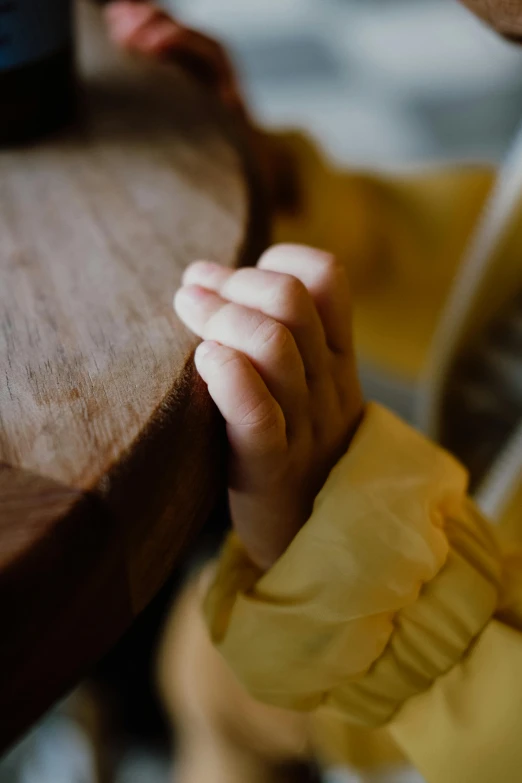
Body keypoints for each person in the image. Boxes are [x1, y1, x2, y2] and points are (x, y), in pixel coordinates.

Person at [106, 2, 522, 782]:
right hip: (438, 616)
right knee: (208, 661)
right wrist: (280, 196)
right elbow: (498, 262)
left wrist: (365, 575)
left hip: (451, 713)